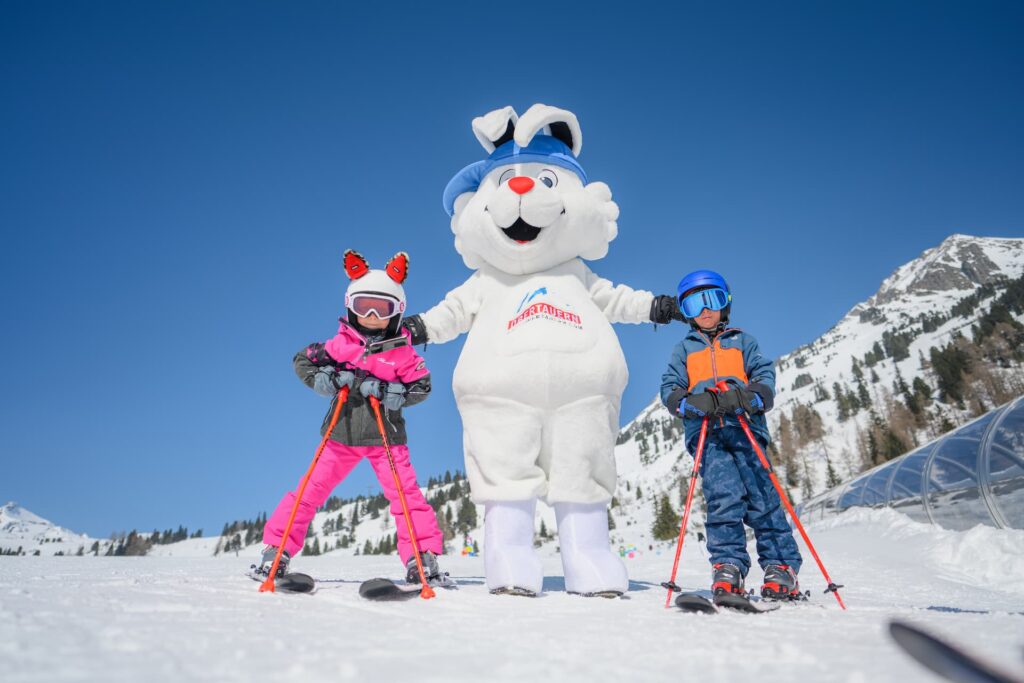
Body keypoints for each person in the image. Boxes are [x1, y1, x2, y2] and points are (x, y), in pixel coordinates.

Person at [255, 250, 445, 584]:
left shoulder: (401, 350)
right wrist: (322, 380)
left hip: (386, 438)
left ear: (397, 312)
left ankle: (421, 558)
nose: (372, 316)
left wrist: (390, 392)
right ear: (350, 307)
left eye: (381, 309)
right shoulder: (340, 345)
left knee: (404, 495)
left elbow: (422, 385)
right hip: (340, 435)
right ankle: (276, 550)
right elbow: (304, 359)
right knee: (309, 491)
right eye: (363, 307)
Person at [659, 270, 803, 600]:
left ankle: (780, 566)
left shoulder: (743, 342)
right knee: (723, 498)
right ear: (687, 312)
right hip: (708, 435)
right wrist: (690, 403)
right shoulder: (684, 350)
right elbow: (670, 390)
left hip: (745, 429)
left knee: (762, 497)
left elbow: (764, 377)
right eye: (695, 303)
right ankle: (728, 565)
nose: (705, 310)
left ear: (726, 304)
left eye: (713, 300)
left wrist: (749, 396)